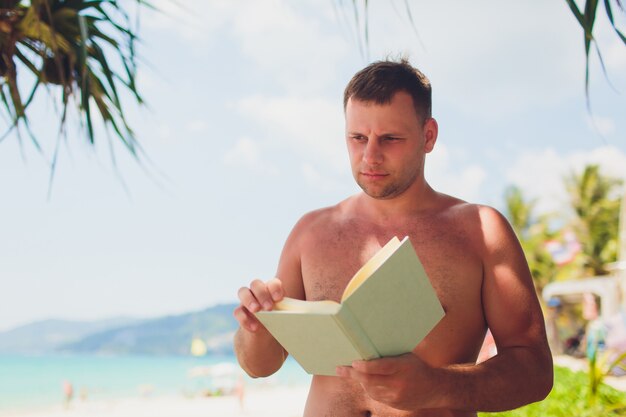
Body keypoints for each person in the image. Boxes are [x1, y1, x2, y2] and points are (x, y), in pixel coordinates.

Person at [233, 59, 553, 417]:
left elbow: (536, 371)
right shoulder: (310, 232)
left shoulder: (480, 231)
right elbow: (259, 366)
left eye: (390, 139)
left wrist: (437, 385)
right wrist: (255, 329)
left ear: (428, 136)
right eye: (357, 138)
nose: (370, 155)